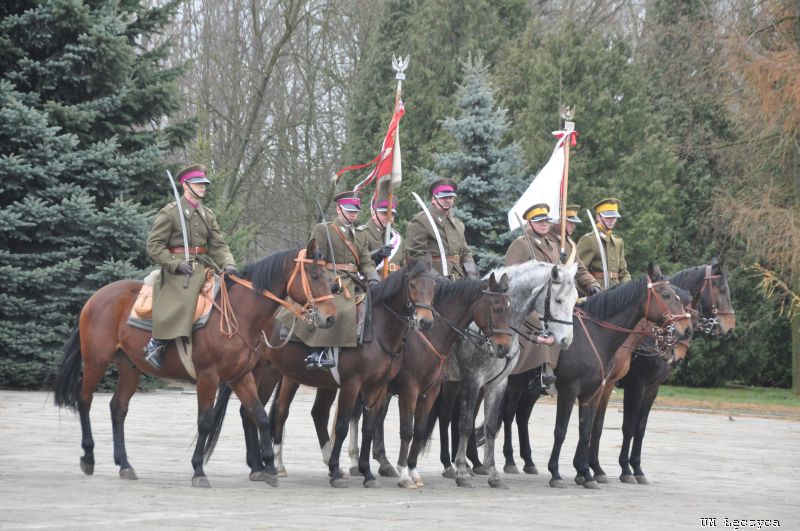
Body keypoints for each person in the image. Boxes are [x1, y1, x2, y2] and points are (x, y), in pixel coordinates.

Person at [144, 165, 237, 370]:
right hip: (179, 269)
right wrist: (175, 264)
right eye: (198, 184)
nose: (203, 187)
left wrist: (228, 263)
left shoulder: (207, 214)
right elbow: (154, 245)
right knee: (184, 295)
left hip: (204, 264)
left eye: (204, 184)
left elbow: (218, 245)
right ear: (185, 185)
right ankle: (157, 343)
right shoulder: (170, 212)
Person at [505, 203, 600, 393]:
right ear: (529, 223)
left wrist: (592, 285)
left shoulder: (554, 244)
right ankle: (538, 373)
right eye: (539, 221)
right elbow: (512, 275)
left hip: (548, 301)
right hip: (526, 304)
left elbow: (572, 271)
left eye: (546, 221)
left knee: (564, 322)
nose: (544, 224)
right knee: (543, 326)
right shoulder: (521, 244)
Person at [288, 191, 380, 370]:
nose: (353, 214)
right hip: (329, 279)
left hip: (354, 281)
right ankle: (319, 352)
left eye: (355, 211)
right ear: (339, 210)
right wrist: (326, 279)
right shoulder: (324, 230)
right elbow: (314, 259)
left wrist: (374, 278)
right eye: (349, 210)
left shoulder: (360, 235)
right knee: (339, 309)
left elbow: (366, 262)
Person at [405, 178, 479, 279]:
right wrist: (436, 277)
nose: (448, 200)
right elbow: (415, 255)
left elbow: (466, 252)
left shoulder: (458, 224)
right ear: (433, 199)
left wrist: (472, 273)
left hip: (459, 280)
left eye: (451, 197)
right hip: (432, 283)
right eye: (443, 197)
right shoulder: (421, 221)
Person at [576, 198, 631, 290]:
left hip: (617, 290)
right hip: (597, 291)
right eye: (608, 217)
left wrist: (626, 287)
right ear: (598, 217)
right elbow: (578, 269)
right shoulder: (589, 240)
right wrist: (592, 286)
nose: (612, 220)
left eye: (614, 217)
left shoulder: (618, 241)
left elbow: (623, 272)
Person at [359, 197, 404, 273]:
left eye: (392, 214)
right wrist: (377, 255)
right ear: (374, 214)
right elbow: (358, 263)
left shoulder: (396, 237)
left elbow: (404, 264)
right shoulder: (362, 233)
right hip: (372, 282)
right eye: (384, 213)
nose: (389, 217)